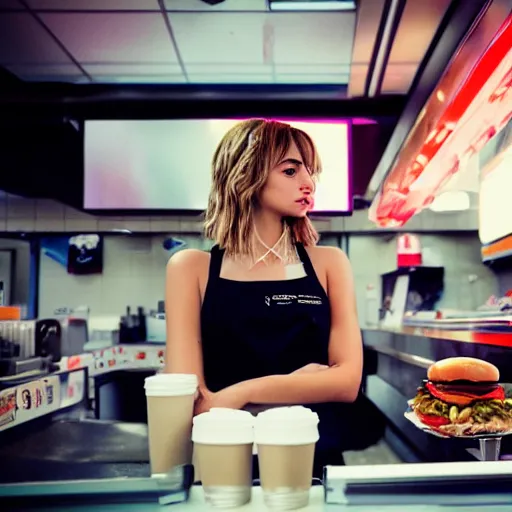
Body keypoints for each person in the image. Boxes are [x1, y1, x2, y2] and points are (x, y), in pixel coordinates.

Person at [165, 118, 363, 477]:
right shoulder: (190, 268)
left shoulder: (329, 263)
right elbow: (191, 404)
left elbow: (347, 383)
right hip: (224, 464)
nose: (308, 183)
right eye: (290, 170)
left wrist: (237, 393)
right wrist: (302, 383)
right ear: (246, 175)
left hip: (312, 459)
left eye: (310, 171)